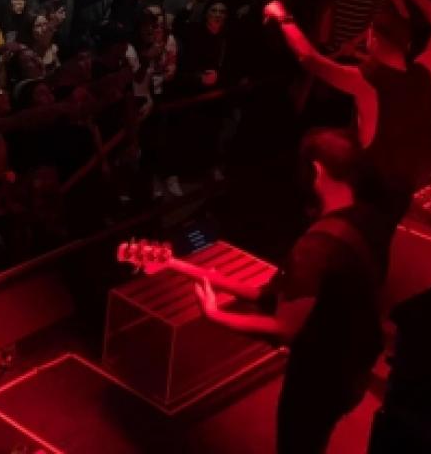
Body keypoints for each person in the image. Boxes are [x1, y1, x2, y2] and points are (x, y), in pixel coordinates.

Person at [146, 128, 384, 454]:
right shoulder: (366, 220)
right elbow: (276, 296)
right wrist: (202, 274)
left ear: (316, 171)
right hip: (352, 366)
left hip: (320, 377)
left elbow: (285, 328)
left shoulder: (316, 246)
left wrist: (214, 314)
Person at [265, 0, 431, 242]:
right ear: (408, 44)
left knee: (314, 144)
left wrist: (282, 15)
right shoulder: (425, 73)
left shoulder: (368, 82)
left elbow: (309, 59)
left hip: (367, 202)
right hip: (403, 194)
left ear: (372, 37)